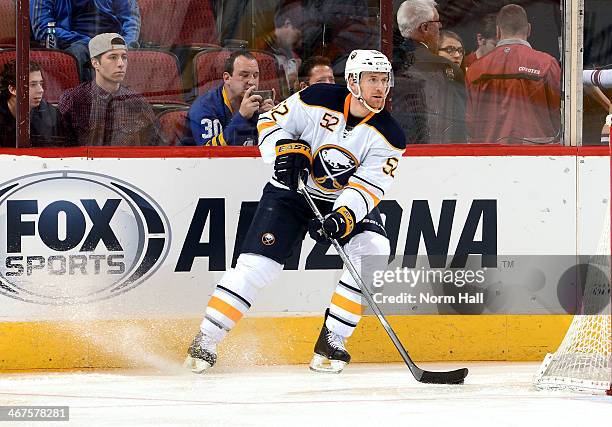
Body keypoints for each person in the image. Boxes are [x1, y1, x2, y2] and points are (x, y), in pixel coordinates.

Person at [184, 49, 406, 374]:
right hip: (290, 191)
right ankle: (205, 339)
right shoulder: (318, 97)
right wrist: (286, 151)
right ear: (353, 82)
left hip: (337, 199)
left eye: (384, 80)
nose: (380, 87)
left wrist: (342, 217)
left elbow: (368, 187)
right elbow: (271, 121)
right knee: (257, 267)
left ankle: (332, 339)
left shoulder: (391, 135)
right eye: (372, 79)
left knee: (373, 249)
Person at [465, 4, 561, 144]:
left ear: (498, 31)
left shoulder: (475, 69)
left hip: (489, 155)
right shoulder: (546, 64)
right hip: (537, 154)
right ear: (529, 29)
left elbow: (471, 122)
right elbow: (557, 114)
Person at [59, 33, 164, 146]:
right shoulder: (74, 99)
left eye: (124, 57)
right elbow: (60, 148)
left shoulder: (136, 102)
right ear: (95, 63)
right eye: (113, 57)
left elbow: (156, 146)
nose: (121, 64)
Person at [392, 0, 467, 144]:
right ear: (425, 27)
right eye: (437, 22)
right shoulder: (443, 67)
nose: (440, 27)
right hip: (434, 154)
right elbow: (457, 127)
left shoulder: (390, 60)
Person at [30, 0, 141, 81]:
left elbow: (130, 19)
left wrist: (124, 45)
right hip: (72, 43)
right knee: (78, 52)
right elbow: (43, 29)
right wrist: (91, 43)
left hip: (112, 42)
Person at [187, 50, 275, 146]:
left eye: (255, 75)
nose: (252, 81)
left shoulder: (260, 105)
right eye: (244, 75)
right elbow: (209, 154)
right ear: (227, 78)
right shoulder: (204, 107)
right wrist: (241, 117)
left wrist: (271, 120)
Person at [0, 60, 65, 147]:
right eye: (33, 85)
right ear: (13, 89)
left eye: (41, 84)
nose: (41, 90)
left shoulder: (51, 114)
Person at [255, 3, 303, 93]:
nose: (299, 43)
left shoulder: (292, 55)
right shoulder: (258, 47)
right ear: (287, 23)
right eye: (297, 35)